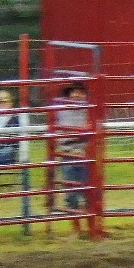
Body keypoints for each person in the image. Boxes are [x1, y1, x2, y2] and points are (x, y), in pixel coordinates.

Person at [54, 82, 90, 210]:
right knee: (70, 176)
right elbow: (62, 134)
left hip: (84, 151)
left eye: (80, 92)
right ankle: (72, 203)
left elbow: (90, 132)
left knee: (86, 178)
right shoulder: (62, 111)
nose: (77, 95)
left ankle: (87, 202)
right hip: (68, 150)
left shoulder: (89, 110)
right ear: (69, 94)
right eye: (74, 92)